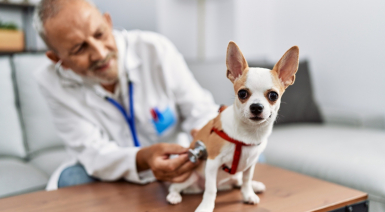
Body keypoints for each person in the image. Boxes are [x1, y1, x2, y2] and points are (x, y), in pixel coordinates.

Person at [32, 0, 218, 190]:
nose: (100, 53)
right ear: (58, 59)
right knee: (72, 178)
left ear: (108, 22)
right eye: (79, 49)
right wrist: (143, 159)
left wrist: (204, 136)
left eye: (100, 34)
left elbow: (200, 110)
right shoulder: (50, 82)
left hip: (179, 162)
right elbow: (93, 152)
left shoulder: (155, 49)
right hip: (113, 171)